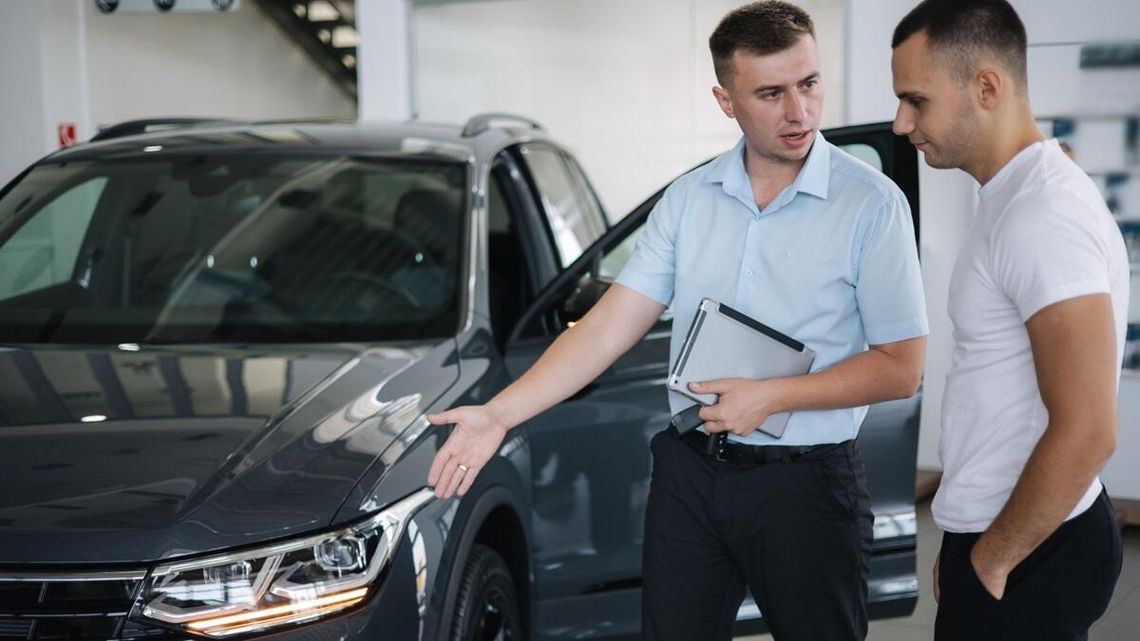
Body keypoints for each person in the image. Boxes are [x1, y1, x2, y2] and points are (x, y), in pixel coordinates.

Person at [429, 2, 928, 639]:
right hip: (692, 473)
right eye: (770, 93)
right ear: (726, 100)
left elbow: (901, 368)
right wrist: (499, 414)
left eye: (809, 84)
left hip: (808, 481)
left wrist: (771, 397)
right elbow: (612, 325)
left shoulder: (872, 205)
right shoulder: (689, 200)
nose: (798, 112)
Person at [890, 2, 1129, 639]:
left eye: (916, 100)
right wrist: (963, 530)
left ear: (987, 87)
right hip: (1008, 531)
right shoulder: (1013, 198)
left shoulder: (1042, 215)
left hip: (1029, 550)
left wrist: (993, 556)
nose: (900, 122)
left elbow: (1087, 431)